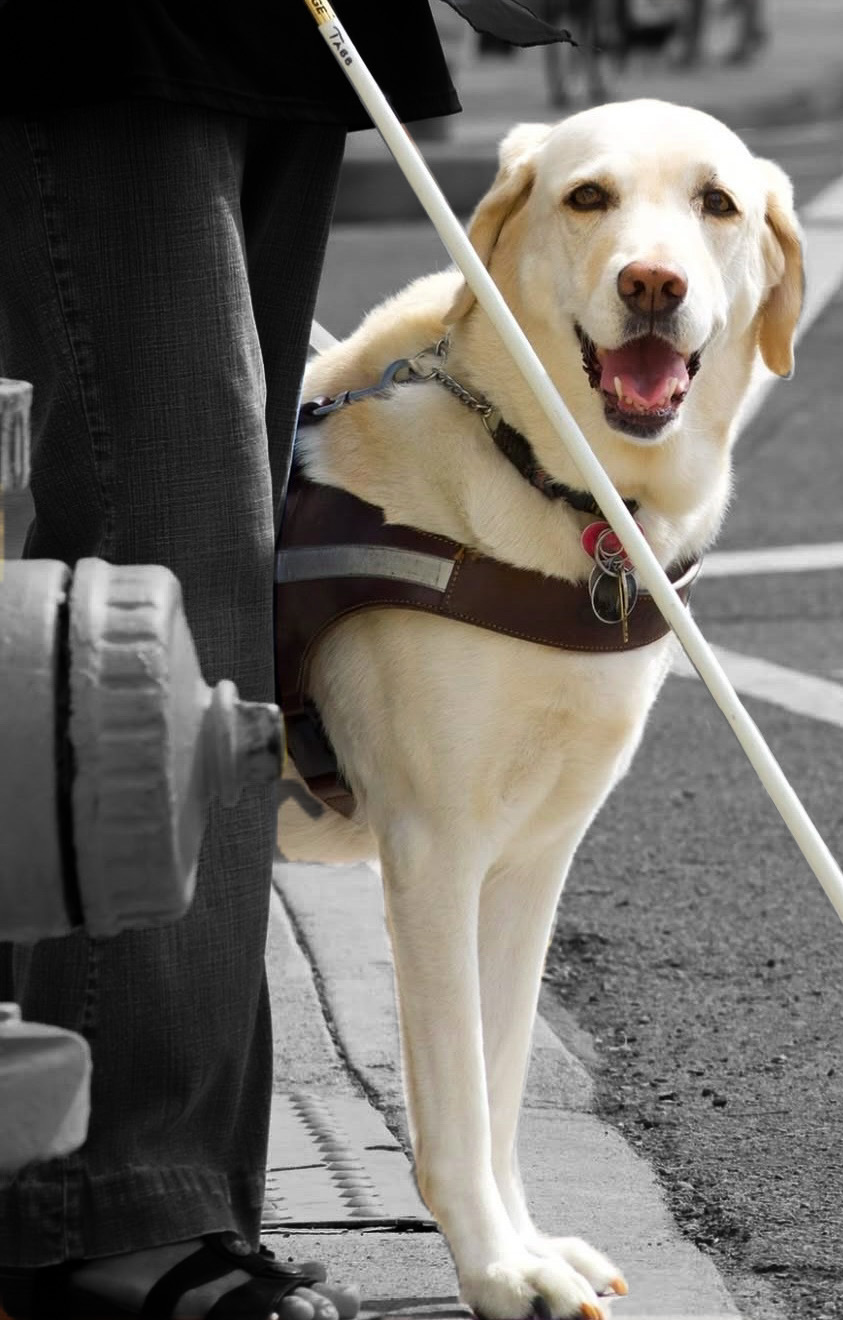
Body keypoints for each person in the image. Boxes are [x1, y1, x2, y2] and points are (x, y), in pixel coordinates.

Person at [0, 2, 562, 1316]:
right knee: (167, 570)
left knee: (199, 569)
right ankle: (118, 1203)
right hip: (112, 40)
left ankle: (136, 1185)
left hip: (271, 39)